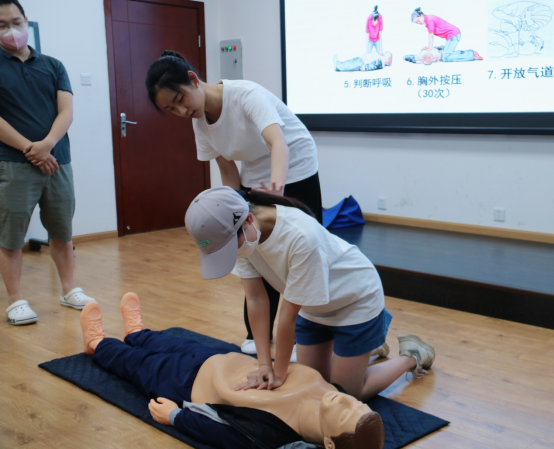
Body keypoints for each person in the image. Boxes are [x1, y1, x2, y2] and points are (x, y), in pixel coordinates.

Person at [145, 51, 323, 359]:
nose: (181, 111)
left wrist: (277, 190)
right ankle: (257, 333)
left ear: (193, 79)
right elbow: (228, 173)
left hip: (294, 162)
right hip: (256, 171)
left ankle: (307, 333)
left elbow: (278, 143)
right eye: (171, 109)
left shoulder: (244, 95)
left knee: (298, 247)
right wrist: (231, 214)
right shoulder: (200, 124)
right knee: (255, 248)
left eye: (180, 99)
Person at [184, 187, 436, 402]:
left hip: (354, 300)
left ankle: (412, 355)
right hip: (312, 306)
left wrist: (278, 373)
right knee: (313, 384)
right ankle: (365, 351)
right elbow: (257, 300)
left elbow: (287, 316)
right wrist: (264, 365)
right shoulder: (238, 239)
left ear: (248, 219)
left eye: (230, 247)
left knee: (344, 394)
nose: (230, 254)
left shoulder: (300, 235)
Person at [81, 294, 388, 449]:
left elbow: (218, 432)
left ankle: (97, 343)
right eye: (356, 403)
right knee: (169, 342)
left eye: (346, 413)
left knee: (137, 364)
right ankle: (137, 332)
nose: (346, 400)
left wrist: (175, 416)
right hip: (220, 358)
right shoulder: (335, 394)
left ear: (330, 443)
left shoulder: (273, 435)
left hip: (186, 384)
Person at [0, 0, 95, 326]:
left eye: (15, 22)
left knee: (62, 231)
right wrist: (31, 149)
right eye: (2, 25)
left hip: (58, 162)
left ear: (26, 20)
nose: (11, 30)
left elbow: (66, 111)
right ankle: (15, 301)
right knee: (11, 236)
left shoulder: (53, 65)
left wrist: (48, 144)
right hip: (13, 163)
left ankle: (69, 290)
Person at [411, 7, 483, 62]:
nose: (418, 23)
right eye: (416, 23)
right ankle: (471, 53)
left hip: (454, 35)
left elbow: (431, 35)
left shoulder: (429, 20)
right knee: (447, 54)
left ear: (421, 15)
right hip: (453, 35)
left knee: (446, 57)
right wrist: (429, 47)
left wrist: (430, 47)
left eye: (418, 20)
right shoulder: (428, 20)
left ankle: (471, 55)